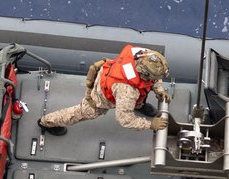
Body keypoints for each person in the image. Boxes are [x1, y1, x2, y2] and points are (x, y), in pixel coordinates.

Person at [38, 45, 172, 136]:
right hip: (103, 95)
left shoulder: (145, 55)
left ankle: (139, 106)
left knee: (138, 98)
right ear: (145, 74)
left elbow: (154, 79)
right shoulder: (128, 91)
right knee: (83, 112)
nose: (157, 80)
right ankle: (46, 122)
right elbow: (124, 119)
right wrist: (150, 125)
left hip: (113, 76)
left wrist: (159, 91)